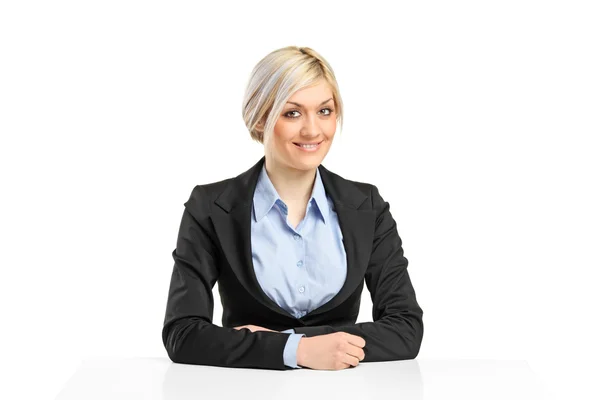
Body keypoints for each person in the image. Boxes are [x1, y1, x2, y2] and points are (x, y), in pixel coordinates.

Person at [161, 46, 424, 371]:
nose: (313, 130)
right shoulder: (211, 207)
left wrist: (287, 343)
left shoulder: (366, 206)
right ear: (259, 119)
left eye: (325, 111)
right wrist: (300, 351)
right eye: (292, 113)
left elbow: (406, 330)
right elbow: (183, 334)